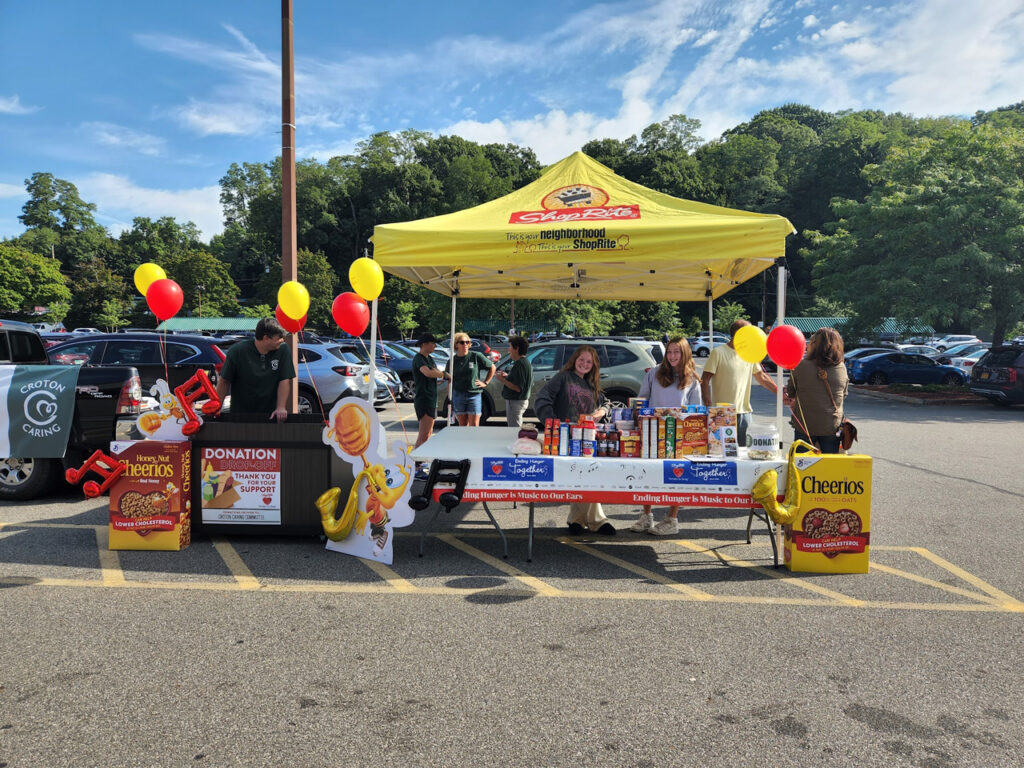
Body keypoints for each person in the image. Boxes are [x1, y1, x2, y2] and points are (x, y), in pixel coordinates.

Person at [533, 345, 615, 536]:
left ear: (593, 365)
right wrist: (554, 424)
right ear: (574, 359)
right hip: (564, 438)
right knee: (584, 476)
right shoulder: (563, 377)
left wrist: (603, 411)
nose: (584, 364)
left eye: (589, 362)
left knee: (584, 476)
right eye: (581, 359)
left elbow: (606, 403)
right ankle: (597, 521)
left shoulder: (591, 385)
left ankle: (576, 519)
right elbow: (541, 399)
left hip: (585, 438)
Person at [630, 337, 702, 536]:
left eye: (676, 352)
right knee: (647, 475)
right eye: (669, 352)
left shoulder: (693, 378)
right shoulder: (654, 373)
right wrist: (638, 412)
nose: (672, 356)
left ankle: (672, 519)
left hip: (678, 436)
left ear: (685, 353)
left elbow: (696, 411)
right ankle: (646, 515)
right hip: (653, 431)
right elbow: (642, 399)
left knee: (675, 477)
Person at [700, 319, 778, 446]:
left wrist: (780, 392)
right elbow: (704, 381)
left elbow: (761, 377)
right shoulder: (718, 352)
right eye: (749, 332)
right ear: (738, 334)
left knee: (745, 452)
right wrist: (709, 407)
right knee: (720, 451)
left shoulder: (748, 353)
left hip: (744, 413)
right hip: (721, 413)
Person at [216, 317, 296, 422]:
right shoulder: (237, 351)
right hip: (240, 415)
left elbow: (284, 380)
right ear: (266, 338)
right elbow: (224, 380)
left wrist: (281, 407)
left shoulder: (283, 350)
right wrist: (217, 407)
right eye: (279, 337)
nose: (282, 340)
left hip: (270, 415)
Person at [784, 327, 849, 453]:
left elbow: (791, 392)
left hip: (805, 425)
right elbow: (844, 394)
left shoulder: (801, 366)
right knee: (829, 465)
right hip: (831, 425)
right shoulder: (841, 368)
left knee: (803, 466)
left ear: (814, 345)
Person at [411, 332, 451, 455]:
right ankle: (414, 463)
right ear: (424, 344)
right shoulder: (419, 359)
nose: (435, 346)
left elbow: (434, 372)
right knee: (423, 434)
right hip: (424, 398)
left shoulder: (429, 358)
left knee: (428, 433)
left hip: (431, 398)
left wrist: (438, 374)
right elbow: (428, 373)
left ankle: (421, 459)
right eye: (432, 343)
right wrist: (444, 374)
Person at [450, 332, 495, 427]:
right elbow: (449, 380)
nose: (465, 344)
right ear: (456, 344)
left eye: (467, 342)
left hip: (474, 394)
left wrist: (485, 382)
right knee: (462, 425)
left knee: (474, 425)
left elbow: (492, 367)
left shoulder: (476, 356)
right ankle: (464, 442)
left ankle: (474, 442)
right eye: (462, 342)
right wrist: (450, 399)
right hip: (458, 395)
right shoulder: (452, 360)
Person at [496, 336, 532, 428]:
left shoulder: (520, 363)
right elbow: (522, 380)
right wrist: (507, 376)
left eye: (510, 347)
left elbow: (518, 388)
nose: (509, 350)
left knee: (514, 429)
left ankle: (517, 442)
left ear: (517, 349)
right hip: (519, 401)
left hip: (516, 401)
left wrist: (502, 380)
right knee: (516, 427)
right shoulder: (525, 362)